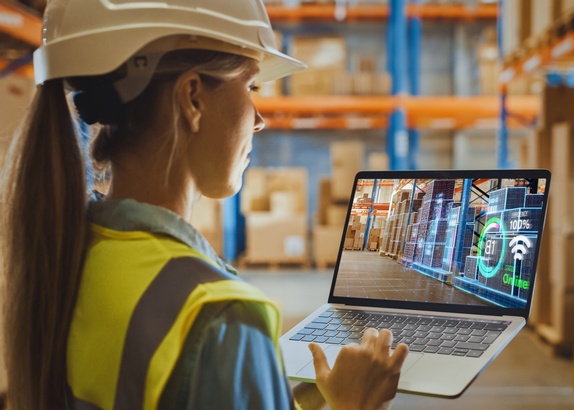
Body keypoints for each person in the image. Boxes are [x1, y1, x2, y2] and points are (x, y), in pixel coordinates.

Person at [0, 0, 408, 409]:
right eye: (251, 87)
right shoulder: (219, 317)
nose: (259, 119)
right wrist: (356, 404)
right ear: (192, 98)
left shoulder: (65, 251)